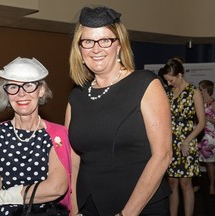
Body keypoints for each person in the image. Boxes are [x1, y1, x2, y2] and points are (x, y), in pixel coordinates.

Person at [65, 6, 172, 216]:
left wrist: (127, 214)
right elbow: (74, 162)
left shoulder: (145, 84)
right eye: (87, 41)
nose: (96, 49)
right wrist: (75, 209)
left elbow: (163, 156)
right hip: (89, 206)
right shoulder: (76, 97)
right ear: (79, 48)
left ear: (119, 44)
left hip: (141, 207)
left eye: (105, 40)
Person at [0, 57, 71, 216]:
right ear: (6, 92)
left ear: (41, 91)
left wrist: (3, 197)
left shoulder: (56, 134)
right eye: (13, 87)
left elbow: (57, 187)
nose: (21, 94)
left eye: (29, 86)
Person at [162, 58, 205, 216]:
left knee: (185, 184)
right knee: (172, 183)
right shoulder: (168, 93)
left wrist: (186, 141)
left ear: (180, 75)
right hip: (170, 141)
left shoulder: (193, 92)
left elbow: (201, 123)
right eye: (167, 81)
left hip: (187, 141)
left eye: (171, 80)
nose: (169, 84)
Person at [198, 80, 215, 195]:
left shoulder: (213, 103)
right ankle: (197, 184)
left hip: (209, 136)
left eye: (200, 88)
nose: (198, 90)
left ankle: (212, 186)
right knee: (195, 162)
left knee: (209, 163)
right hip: (198, 135)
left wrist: (207, 119)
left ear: (205, 89)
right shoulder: (198, 102)